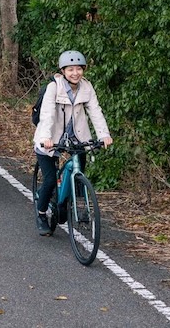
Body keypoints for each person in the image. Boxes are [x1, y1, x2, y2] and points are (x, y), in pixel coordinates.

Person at [32, 50, 113, 236]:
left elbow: (95, 111)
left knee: (78, 170)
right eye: (70, 69)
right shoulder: (54, 87)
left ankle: (68, 204)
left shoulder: (86, 87)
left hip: (77, 138)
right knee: (50, 179)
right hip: (50, 139)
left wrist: (104, 134)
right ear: (63, 71)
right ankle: (42, 213)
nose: (75, 73)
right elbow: (47, 114)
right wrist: (46, 138)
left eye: (79, 69)